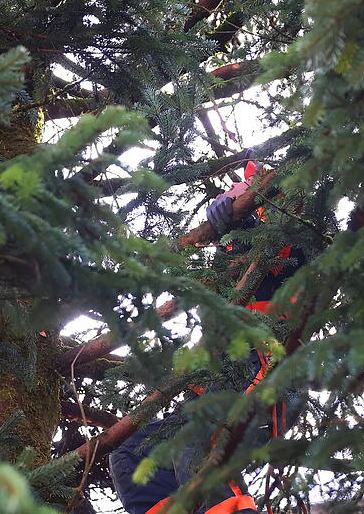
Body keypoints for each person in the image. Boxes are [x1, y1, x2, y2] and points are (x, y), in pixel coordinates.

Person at [109, 155, 303, 514]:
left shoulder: (290, 231)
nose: (229, 194)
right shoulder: (233, 249)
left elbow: (284, 249)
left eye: (239, 190)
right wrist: (228, 230)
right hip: (220, 380)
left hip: (265, 366)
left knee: (196, 448)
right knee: (131, 456)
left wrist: (241, 222)